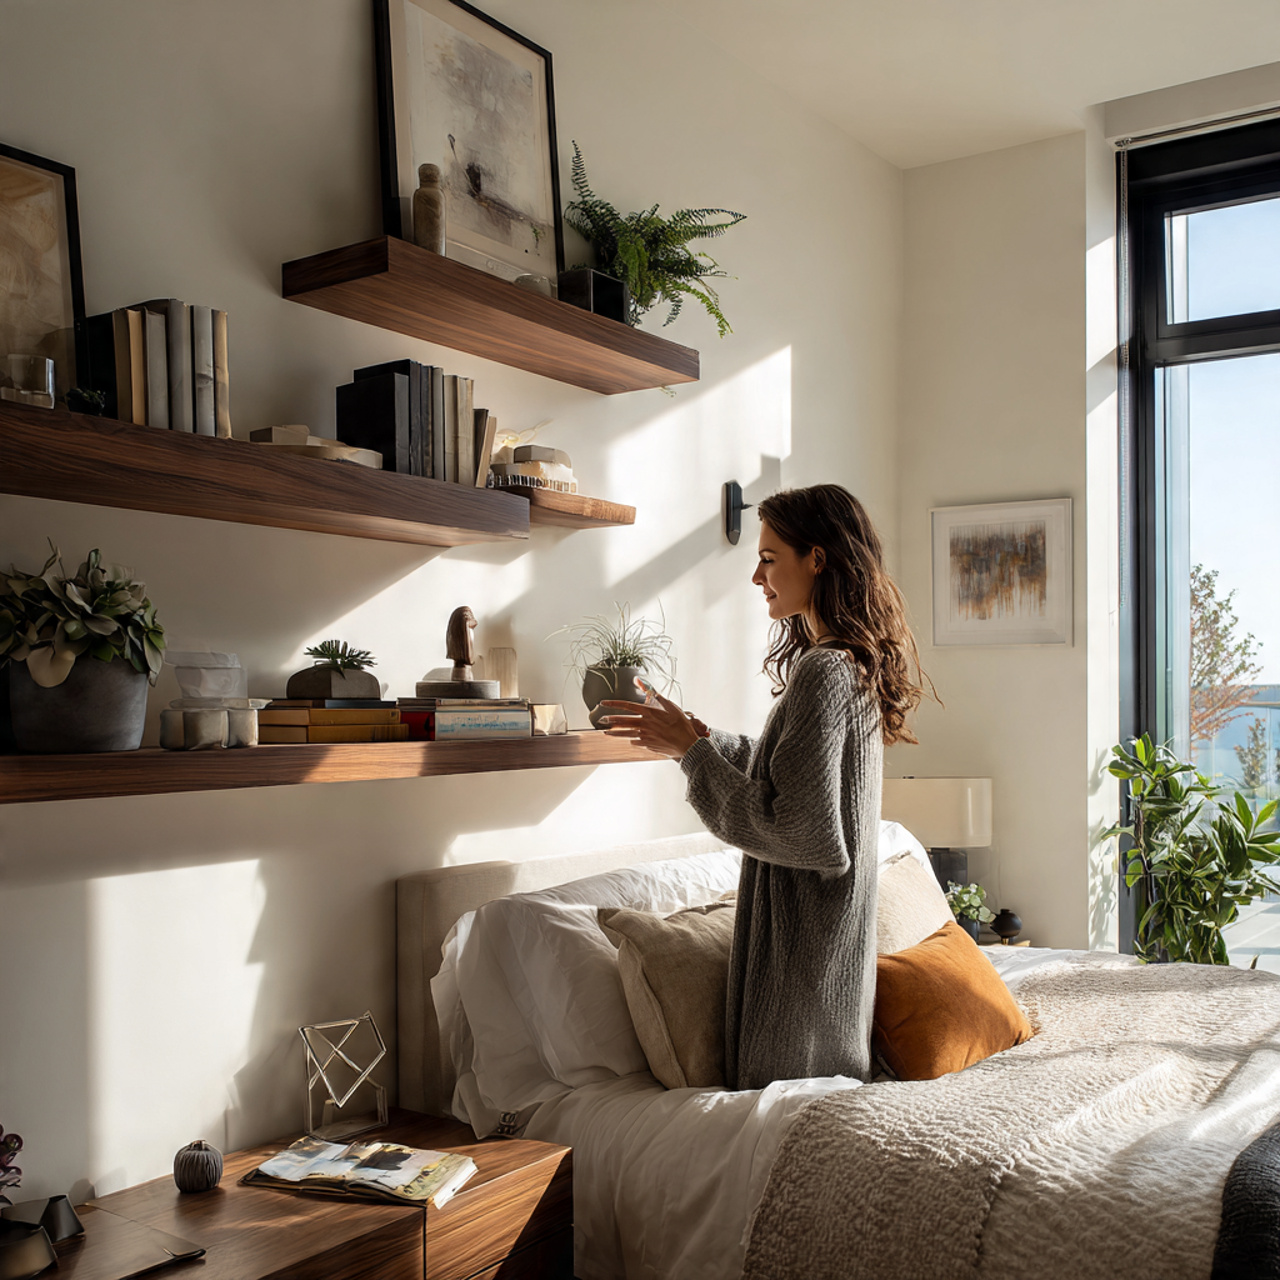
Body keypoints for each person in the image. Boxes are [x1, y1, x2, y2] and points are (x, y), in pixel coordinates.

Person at [600, 484, 931, 1090]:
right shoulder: (850, 664)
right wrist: (703, 739)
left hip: (799, 983)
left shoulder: (823, 670)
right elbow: (797, 775)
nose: (757, 577)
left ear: (817, 559)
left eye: (769, 559)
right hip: (830, 978)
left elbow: (805, 832)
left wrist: (692, 755)